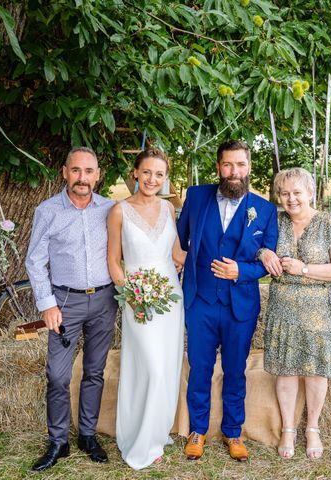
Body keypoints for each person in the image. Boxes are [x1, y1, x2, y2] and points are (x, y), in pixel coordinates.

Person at [177, 140, 280, 462]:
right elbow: (179, 242)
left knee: (236, 370)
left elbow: (269, 260)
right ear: (218, 166)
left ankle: (234, 432)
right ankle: (197, 431)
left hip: (241, 307)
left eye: (240, 165)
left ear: (249, 167)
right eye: (227, 165)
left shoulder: (264, 210)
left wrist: (240, 271)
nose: (234, 172)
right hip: (201, 302)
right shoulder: (196, 197)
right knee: (200, 369)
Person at [25, 147, 118, 472]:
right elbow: (35, 260)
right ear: (65, 172)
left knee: (94, 371)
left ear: (98, 175)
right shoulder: (47, 210)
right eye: (76, 171)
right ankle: (58, 441)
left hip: (105, 300)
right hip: (65, 302)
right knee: (58, 375)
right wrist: (47, 304)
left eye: (88, 171)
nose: (82, 178)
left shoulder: (110, 209)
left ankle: (88, 435)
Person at [258, 167, 331, 460]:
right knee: (286, 369)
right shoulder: (275, 221)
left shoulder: (329, 223)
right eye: (284, 193)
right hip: (283, 307)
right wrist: (263, 252)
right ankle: (288, 428)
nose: (291, 199)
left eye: (297, 192)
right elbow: (253, 246)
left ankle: (312, 427)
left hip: (318, 311)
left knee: (315, 372)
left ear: (310, 193)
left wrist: (305, 269)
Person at [107, 148, 187, 470]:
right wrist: (130, 294)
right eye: (147, 172)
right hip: (137, 299)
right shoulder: (119, 211)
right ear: (135, 173)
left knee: (166, 368)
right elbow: (114, 261)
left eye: (159, 174)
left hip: (170, 298)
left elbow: (177, 252)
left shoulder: (169, 208)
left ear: (164, 177)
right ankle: (139, 439)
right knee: (150, 367)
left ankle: (156, 432)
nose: (153, 179)